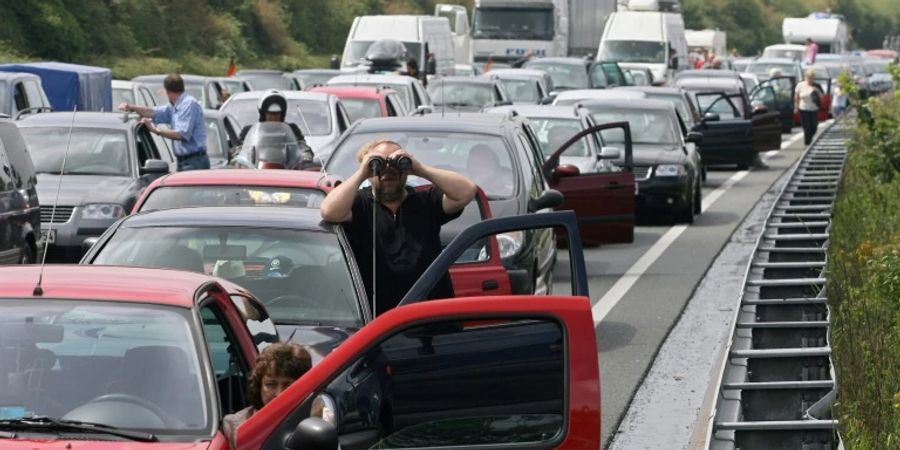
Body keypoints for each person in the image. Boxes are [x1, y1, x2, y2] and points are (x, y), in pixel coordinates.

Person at [320, 140, 477, 315]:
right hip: (378, 321)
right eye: (380, 167)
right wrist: (362, 173)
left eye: (396, 167)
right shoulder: (360, 205)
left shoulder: (426, 202)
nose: (388, 173)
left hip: (429, 317)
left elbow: (467, 191)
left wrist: (420, 168)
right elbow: (329, 211)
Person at [222, 342, 313, 449]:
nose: (279, 394)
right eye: (271, 385)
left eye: (288, 385)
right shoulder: (236, 425)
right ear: (259, 386)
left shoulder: (314, 419)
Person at [119, 74, 209, 171]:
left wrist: (156, 130)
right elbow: (153, 112)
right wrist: (131, 107)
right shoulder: (174, 106)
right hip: (185, 161)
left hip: (194, 162)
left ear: (167, 91)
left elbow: (181, 134)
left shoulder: (188, 105)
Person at [238, 90, 315, 167]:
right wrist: (239, 161)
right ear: (263, 114)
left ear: (282, 114)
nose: (273, 117)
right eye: (270, 114)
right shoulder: (249, 130)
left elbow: (303, 147)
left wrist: (305, 158)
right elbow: (238, 151)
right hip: (255, 170)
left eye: (277, 114)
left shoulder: (292, 129)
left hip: (286, 170)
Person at [794, 68, 825, 145]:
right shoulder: (800, 85)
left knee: (814, 127)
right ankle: (807, 143)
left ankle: (810, 139)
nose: (810, 80)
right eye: (809, 78)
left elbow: (822, 97)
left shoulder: (817, 86)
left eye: (812, 78)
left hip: (814, 109)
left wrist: (817, 91)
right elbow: (797, 97)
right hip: (803, 108)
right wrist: (796, 107)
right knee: (806, 127)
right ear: (805, 77)